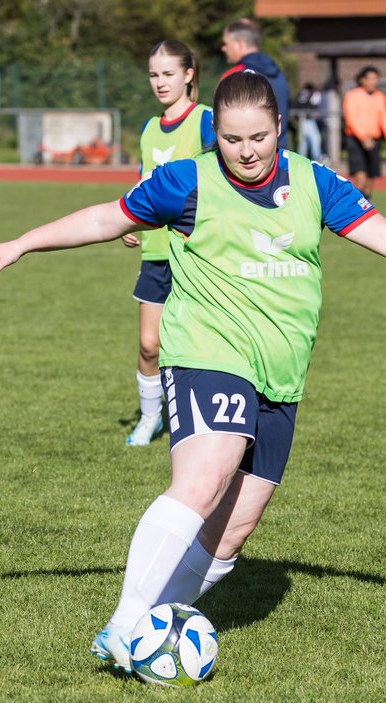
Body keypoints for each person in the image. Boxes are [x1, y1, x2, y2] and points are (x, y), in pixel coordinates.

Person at [0, 73, 386, 675]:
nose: (246, 151)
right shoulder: (187, 180)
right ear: (215, 132)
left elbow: (384, 232)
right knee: (204, 475)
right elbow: (103, 221)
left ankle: (147, 633)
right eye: (232, 138)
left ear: (280, 130)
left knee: (232, 531)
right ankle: (125, 626)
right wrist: (23, 243)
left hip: (281, 371)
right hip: (206, 350)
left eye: (259, 138)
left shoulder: (315, 183)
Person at [121, 40, 215, 447]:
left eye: (168, 74)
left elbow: (224, 175)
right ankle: (149, 418)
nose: (160, 82)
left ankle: (209, 422)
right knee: (148, 345)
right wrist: (130, 218)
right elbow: (145, 180)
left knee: (202, 347)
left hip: (198, 254)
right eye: (154, 75)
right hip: (157, 253)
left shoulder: (207, 121)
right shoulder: (147, 128)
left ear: (189, 75)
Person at [220, 17, 290, 151]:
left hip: (247, 159)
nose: (223, 48)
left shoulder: (234, 76)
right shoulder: (278, 72)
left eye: (226, 43)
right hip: (280, 157)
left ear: (239, 43)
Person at [342, 66, 386, 199]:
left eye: (376, 79)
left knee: (371, 177)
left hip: (374, 140)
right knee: (360, 176)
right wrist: (363, 137)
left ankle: (366, 204)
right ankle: (356, 206)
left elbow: (385, 119)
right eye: (370, 79)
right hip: (355, 140)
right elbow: (351, 118)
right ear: (362, 80)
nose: (373, 82)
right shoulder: (353, 95)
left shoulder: (380, 97)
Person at [294, 82, 324, 163]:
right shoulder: (310, 94)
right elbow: (313, 105)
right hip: (308, 120)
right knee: (315, 139)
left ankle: (299, 162)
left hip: (302, 120)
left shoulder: (301, 93)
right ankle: (317, 160)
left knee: (303, 143)